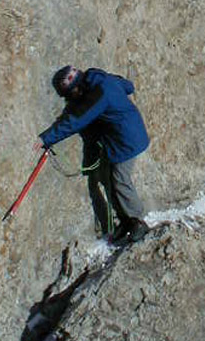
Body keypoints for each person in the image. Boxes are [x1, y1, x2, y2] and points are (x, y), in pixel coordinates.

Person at [37, 65, 150, 244]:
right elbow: (128, 86)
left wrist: (46, 139)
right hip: (124, 135)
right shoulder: (102, 80)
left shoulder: (98, 95)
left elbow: (77, 120)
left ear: (75, 88)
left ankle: (137, 222)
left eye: (68, 96)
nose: (69, 100)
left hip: (126, 140)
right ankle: (127, 221)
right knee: (110, 179)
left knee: (119, 179)